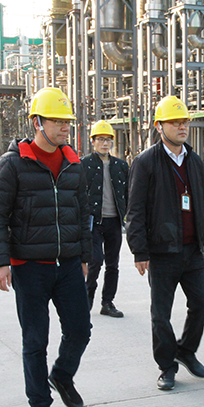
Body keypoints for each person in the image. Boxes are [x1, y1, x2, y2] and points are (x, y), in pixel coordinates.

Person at [0, 87, 92, 407]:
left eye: (67, 121)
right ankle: (40, 404)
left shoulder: (74, 163)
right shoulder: (14, 163)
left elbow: (82, 214)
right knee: (35, 340)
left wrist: (85, 255)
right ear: (37, 122)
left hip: (68, 265)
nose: (64, 127)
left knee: (80, 330)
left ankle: (61, 376)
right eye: (57, 121)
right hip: (29, 267)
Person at [126, 95, 204, 391]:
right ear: (159, 126)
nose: (181, 126)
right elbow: (135, 210)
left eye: (184, 121)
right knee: (160, 315)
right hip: (162, 251)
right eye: (174, 122)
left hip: (192, 250)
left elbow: (201, 203)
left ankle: (186, 350)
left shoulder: (194, 161)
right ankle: (166, 366)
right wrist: (139, 250)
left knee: (202, 303)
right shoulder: (145, 162)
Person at [80, 120, 129, 318]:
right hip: (94, 222)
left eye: (108, 139)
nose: (105, 143)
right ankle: (86, 300)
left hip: (114, 222)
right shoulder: (84, 165)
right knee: (95, 262)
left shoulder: (121, 166)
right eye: (100, 139)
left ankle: (107, 302)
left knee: (113, 264)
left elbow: (128, 193)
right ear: (93, 141)